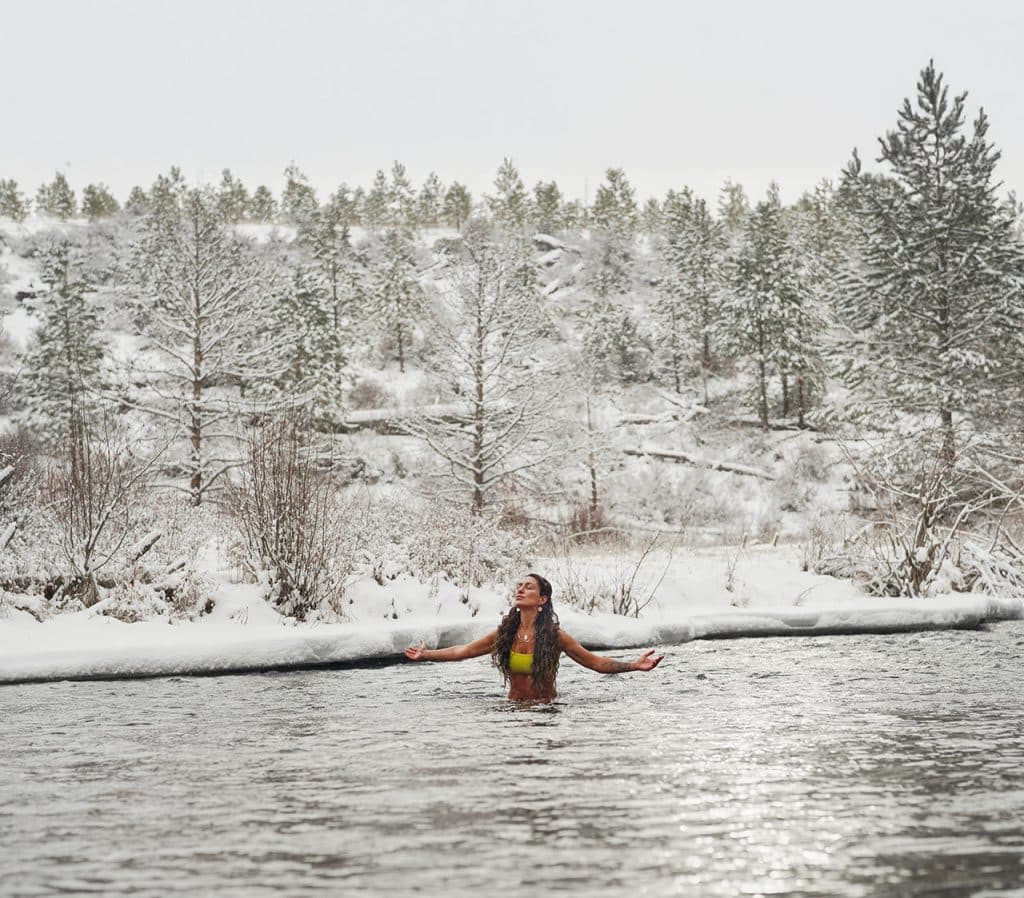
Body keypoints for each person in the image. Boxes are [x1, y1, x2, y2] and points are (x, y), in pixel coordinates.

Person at [404, 573, 664, 701]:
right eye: (519, 586)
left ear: (542, 599)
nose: (520, 589)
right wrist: (426, 654)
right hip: (512, 712)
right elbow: (462, 651)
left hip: (546, 711)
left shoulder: (554, 636)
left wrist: (634, 666)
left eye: (528, 587)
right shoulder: (505, 634)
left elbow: (595, 663)